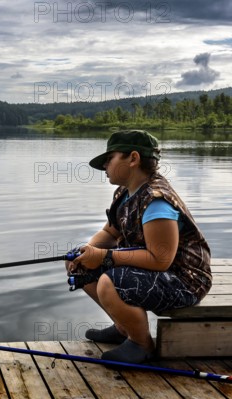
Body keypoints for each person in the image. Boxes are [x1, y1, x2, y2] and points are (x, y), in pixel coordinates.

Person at [67, 130, 211, 363]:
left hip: (185, 280)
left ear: (133, 159)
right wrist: (87, 252)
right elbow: (110, 232)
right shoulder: (124, 193)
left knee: (110, 281)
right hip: (157, 271)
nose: (105, 166)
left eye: (109, 159)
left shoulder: (156, 200)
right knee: (79, 265)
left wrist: (104, 257)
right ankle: (124, 328)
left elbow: (160, 259)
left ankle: (141, 343)